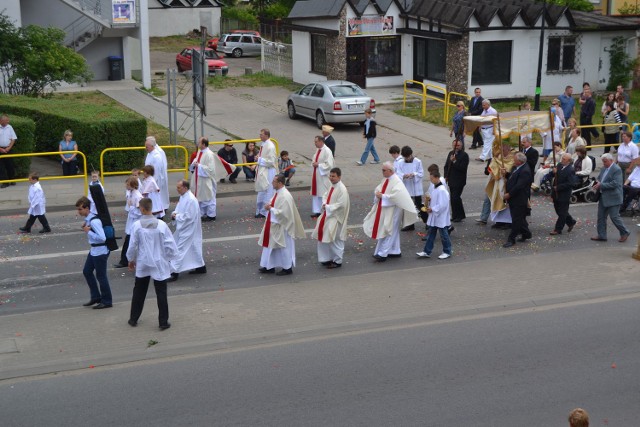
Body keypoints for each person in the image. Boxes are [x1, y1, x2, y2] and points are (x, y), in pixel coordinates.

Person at [126, 197, 178, 330]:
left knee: (139, 291)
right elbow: (170, 244)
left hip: (143, 262)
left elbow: (132, 246)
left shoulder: (137, 225)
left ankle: (133, 318)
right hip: (158, 261)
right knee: (161, 292)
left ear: (142, 209)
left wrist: (130, 259)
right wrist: (169, 258)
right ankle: (163, 322)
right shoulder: (161, 225)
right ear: (151, 208)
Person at [363, 161, 417, 261]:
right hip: (388, 208)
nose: (382, 172)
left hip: (395, 209)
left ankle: (383, 253)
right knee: (391, 229)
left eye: (384, 170)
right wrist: (377, 193)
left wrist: (382, 196)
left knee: (389, 229)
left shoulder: (397, 181)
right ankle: (395, 251)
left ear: (390, 171)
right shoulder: (386, 179)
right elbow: (380, 188)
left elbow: (397, 196)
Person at [258, 174, 306, 276]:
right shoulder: (278, 192)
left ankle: (287, 268)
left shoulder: (285, 195)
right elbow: (274, 203)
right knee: (270, 246)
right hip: (275, 224)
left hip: (283, 226)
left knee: (284, 247)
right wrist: (269, 206)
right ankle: (269, 266)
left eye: (274, 181)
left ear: (280, 183)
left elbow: (285, 213)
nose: (272, 183)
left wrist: (270, 208)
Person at [75, 196, 113, 309]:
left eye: (80, 209)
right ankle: (96, 297)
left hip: (100, 251)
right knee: (87, 271)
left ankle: (107, 301)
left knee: (101, 276)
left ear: (87, 208)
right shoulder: (89, 219)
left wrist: (88, 232)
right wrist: (86, 226)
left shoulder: (95, 221)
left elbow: (102, 238)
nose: (79, 211)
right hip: (94, 250)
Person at [312, 168, 350, 269]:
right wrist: (324, 203)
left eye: (333, 176)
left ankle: (338, 261)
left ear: (339, 177)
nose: (331, 178)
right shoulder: (332, 186)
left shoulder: (342, 189)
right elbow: (325, 195)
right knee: (324, 237)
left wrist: (328, 207)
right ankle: (325, 258)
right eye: (330, 176)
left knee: (335, 239)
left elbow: (342, 204)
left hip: (336, 217)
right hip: (328, 215)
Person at [168, 180, 206, 281]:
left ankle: (174, 272)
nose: (177, 189)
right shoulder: (183, 196)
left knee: (180, 249)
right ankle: (201, 267)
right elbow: (179, 208)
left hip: (189, 228)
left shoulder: (191, 199)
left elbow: (189, 216)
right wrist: (174, 214)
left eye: (179, 187)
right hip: (185, 227)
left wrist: (177, 217)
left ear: (185, 188)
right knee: (194, 246)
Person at [591, 153, 630, 242]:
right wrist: (596, 183)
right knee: (601, 217)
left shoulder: (617, 169)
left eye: (605, 161)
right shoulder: (604, 168)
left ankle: (625, 232)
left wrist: (601, 185)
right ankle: (602, 235)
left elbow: (615, 183)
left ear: (611, 160)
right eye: (603, 162)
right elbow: (600, 178)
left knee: (614, 217)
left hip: (614, 197)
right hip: (603, 196)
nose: (604, 163)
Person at [416, 170, 452, 259]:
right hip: (435, 215)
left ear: (436, 178)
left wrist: (433, 209)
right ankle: (426, 251)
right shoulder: (436, 188)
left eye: (432, 179)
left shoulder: (442, 190)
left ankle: (447, 251)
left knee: (444, 235)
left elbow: (443, 204)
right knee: (431, 234)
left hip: (440, 216)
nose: (431, 181)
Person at [502, 152, 532, 248]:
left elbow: (519, 186)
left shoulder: (525, 171)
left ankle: (511, 239)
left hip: (519, 199)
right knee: (520, 219)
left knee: (516, 220)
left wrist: (509, 194)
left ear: (519, 161)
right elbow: (512, 177)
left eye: (514, 160)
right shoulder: (517, 167)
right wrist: (506, 174)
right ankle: (526, 233)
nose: (513, 161)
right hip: (514, 198)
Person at [114, 176, 142, 268]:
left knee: (130, 242)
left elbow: (139, 212)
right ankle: (126, 260)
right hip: (132, 222)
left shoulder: (137, 196)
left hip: (135, 223)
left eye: (128, 185)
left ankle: (125, 260)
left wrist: (131, 207)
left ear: (133, 186)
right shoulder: (131, 193)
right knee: (130, 242)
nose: (126, 186)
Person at [395, 145, 424, 231]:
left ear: (411, 154)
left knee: (419, 206)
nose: (407, 159)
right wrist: (403, 176)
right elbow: (397, 174)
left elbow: (421, 173)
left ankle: (427, 222)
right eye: (405, 157)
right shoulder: (400, 163)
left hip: (416, 187)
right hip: (406, 187)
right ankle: (410, 224)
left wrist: (414, 174)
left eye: (408, 156)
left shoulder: (418, 162)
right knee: (408, 207)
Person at [190, 136, 218, 222]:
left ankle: (211, 215)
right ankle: (202, 213)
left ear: (204, 144)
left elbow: (211, 169)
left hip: (206, 179)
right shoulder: (200, 151)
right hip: (199, 178)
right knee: (200, 196)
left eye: (199, 142)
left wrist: (199, 166)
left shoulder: (209, 154)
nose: (197, 143)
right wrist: (194, 163)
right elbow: (197, 160)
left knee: (208, 197)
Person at [549, 153, 577, 235]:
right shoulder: (559, 165)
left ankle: (558, 229)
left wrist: (558, 187)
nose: (562, 160)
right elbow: (554, 176)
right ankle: (571, 221)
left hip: (564, 194)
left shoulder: (570, 170)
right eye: (562, 158)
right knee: (559, 210)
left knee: (562, 212)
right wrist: (553, 172)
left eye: (564, 159)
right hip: (556, 193)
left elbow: (570, 183)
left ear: (568, 161)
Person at [444, 138, 469, 222]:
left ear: (461, 146)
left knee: (456, 197)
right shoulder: (451, 153)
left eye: (458, 145)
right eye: (455, 145)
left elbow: (462, 168)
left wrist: (454, 161)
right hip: (451, 179)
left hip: (459, 180)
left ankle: (460, 215)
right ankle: (455, 215)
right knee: (453, 198)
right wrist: (445, 176)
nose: (456, 147)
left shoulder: (464, 155)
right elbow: (446, 166)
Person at [310, 135, 335, 218]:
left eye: (316, 141)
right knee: (316, 193)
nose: (315, 143)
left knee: (322, 193)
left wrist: (319, 165)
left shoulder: (327, 151)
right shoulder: (318, 149)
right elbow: (314, 158)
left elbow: (329, 164)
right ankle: (317, 211)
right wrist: (314, 163)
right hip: (316, 174)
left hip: (323, 176)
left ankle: (322, 211)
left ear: (321, 141)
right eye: (314, 141)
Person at [255, 128, 278, 218]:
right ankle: (260, 210)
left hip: (269, 171)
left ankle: (265, 211)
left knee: (268, 191)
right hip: (263, 170)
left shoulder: (270, 146)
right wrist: (258, 157)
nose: (260, 136)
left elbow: (271, 161)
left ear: (266, 135)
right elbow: (264, 156)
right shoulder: (264, 144)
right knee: (262, 190)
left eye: (261, 134)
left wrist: (259, 159)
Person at [144, 136, 170, 213]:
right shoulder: (150, 154)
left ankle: (158, 212)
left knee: (156, 198)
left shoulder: (157, 156)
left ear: (152, 146)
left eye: (147, 146)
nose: (146, 148)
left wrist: (151, 182)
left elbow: (157, 171)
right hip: (149, 179)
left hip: (155, 181)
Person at [0, 114, 17, 188]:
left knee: (10, 165)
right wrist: (0, 149)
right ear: (1, 121)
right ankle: (5, 182)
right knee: (1, 167)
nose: (8, 121)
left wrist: (9, 148)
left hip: (8, 149)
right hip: (0, 149)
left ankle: (12, 179)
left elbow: (13, 138)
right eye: (6, 120)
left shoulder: (9, 127)